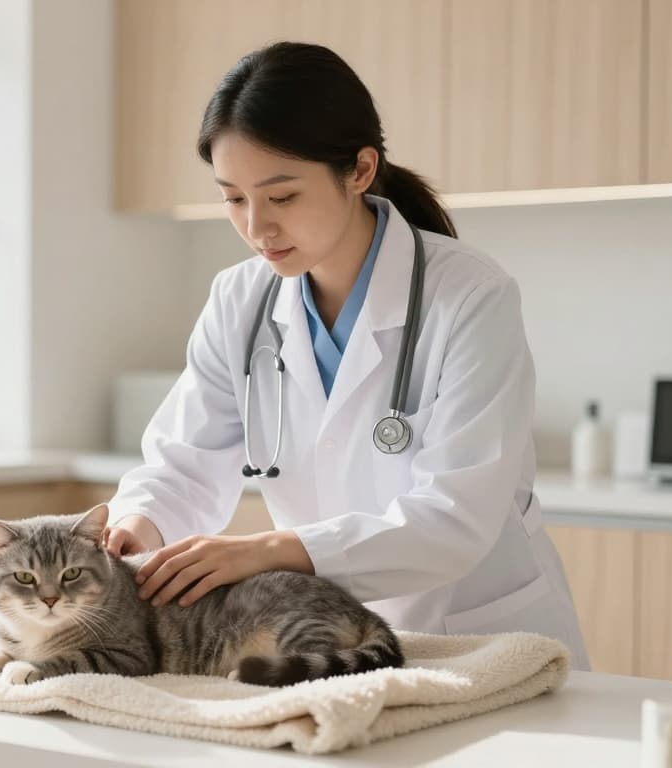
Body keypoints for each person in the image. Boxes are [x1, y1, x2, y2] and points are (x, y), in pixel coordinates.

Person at [100, 42, 589, 669]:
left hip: (476, 632)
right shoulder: (239, 299)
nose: (257, 228)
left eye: (282, 197)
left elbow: (455, 517)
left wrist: (271, 550)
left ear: (359, 170)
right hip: (325, 640)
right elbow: (184, 467)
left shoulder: (468, 295)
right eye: (232, 198)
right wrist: (138, 526)